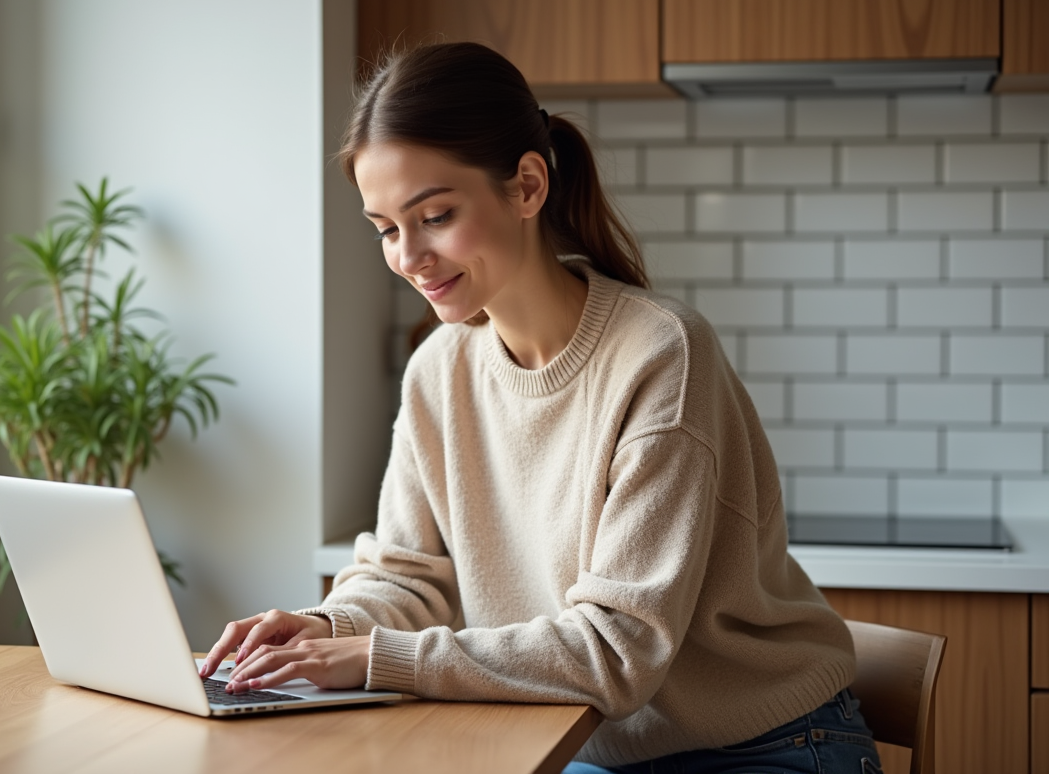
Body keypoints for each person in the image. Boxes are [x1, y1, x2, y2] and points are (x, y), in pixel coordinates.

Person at [199, 42, 882, 773]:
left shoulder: (662, 354)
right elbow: (407, 577)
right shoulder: (439, 367)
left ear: (527, 186)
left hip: (763, 747)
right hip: (585, 747)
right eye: (386, 229)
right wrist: (321, 627)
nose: (407, 256)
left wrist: (372, 658)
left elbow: (618, 652)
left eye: (434, 215)